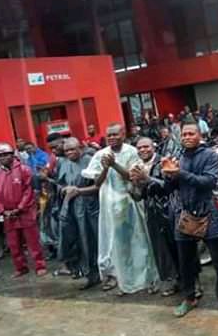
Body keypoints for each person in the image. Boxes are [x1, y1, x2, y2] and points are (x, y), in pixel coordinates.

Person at [162, 121, 218, 318]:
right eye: (184, 134)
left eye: (191, 133)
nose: (187, 137)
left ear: (199, 135)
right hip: (184, 212)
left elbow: (209, 182)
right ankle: (189, 297)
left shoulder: (210, 155)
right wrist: (168, 176)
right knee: (185, 260)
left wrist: (180, 173)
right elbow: (170, 189)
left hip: (207, 210)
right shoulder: (177, 157)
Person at [82, 123, 159, 295]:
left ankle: (149, 280)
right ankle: (125, 282)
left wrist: (115, 165)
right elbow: (97, 183)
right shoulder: (100, 154)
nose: (112, 138)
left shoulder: (132, 152)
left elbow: (133, 178)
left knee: (140, 243)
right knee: (118, 247)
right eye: (109, 135)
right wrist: (105, 167)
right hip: (110, 206)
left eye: (115, 134)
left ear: (123, 134)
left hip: (130, 203)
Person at [130, 137, 179, 296]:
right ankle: (172, 281)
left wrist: (147, 178)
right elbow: (138, 196)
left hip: (170, 209)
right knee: (161, 249)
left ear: (154, 147)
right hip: (152, 212)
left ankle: (192, 282)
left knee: (179, 247)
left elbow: (168, 186)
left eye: (146, 146)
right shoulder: (137, 167)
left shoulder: (163, 162)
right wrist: (135, 185)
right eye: (139, 147)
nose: (143, 150)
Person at [0, 143, 48, 278]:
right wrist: (2, 211)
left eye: (6, 154)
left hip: (25, 212)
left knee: (32, 241)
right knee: (13, 244)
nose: (3, 158)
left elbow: (28, 191)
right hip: (8, 215)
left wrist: (19, 208)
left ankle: (40, 265)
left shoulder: (24, 170)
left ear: (12, 155)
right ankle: (20, 267)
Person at [52, 137, 101, 289]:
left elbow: (99, 185)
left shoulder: (90, 160)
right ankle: (85, 272)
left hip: (89, 206)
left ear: (80, 148)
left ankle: (101, 273)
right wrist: (64, 190)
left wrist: (78, 191)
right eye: (67, 150)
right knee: (75, 240)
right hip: (71, 206)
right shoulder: (63, 163)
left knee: (92, 239)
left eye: (73, 149)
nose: (70, 153)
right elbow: (59, 184)